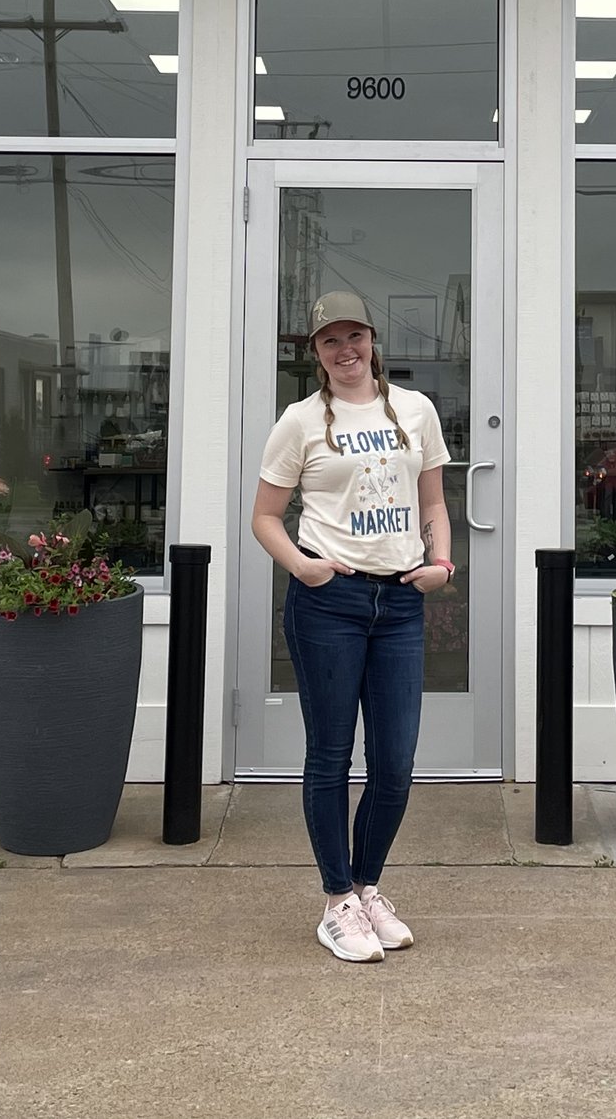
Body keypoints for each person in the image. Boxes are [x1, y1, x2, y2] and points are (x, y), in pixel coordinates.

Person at [253, 290, 455, 963]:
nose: (346, 352)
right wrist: (305, 568)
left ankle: (369, 887)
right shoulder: (301, 420)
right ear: (314, 352)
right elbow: (264, 516)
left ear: (373, 339)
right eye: (330, 341)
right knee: (331, 755)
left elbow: (432, 499)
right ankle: (337, 898)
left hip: (398, 603)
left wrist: (442, 561)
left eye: (355, 337)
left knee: (395, 762)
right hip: (329, 603)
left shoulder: (416, 411)